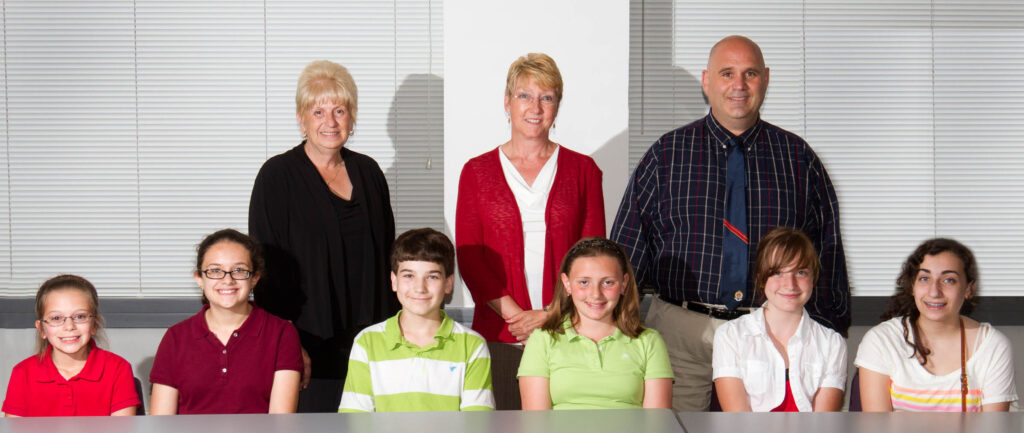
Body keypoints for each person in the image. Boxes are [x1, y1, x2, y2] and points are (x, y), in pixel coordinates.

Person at [610, 35, 849, 411]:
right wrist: (614, 332)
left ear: (766, 79)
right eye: (727, 73)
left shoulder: (798, 158)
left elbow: (826, 252)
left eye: (750, 73)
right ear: (707, 81)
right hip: (681, 333)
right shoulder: (667, 154)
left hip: (767, 335)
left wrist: (824, 334)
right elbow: (628, 251)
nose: (738, 85)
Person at [249, 59, 397, 412]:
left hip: (371, 346)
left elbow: (389, 259)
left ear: (352, 117)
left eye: (340, 110)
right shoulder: (277, 177)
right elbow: (266, 274)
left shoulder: (370, 172)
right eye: (318, 111)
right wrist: (286, 345)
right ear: (302, 119)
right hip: (308, 350)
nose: (330, 122)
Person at [456, 53, 606, 345]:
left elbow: (593, 257)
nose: (535, 108)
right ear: (507, 102)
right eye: (524, 95)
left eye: (546, 98)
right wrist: (517, 319)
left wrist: (551, 315)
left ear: (557, 106)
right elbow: (470, 259)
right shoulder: (476, 172)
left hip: (568, 330)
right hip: (501, 332)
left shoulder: (583, 171)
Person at [339, 228, 494, 412]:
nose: (419, 288)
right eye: (409, 276)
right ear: (393, 281)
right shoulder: (367, 342)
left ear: (448, 284)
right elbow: (355, 421)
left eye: (432, 276)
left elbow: (477, 424)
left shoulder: (472, 345)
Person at [149, 229, 302, 414]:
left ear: (254, 278)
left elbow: (281, 422)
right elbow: (161, 423)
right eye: (215, 270)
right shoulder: (175, 337)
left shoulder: (282, 333)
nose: (227, 280)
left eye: (239, 270)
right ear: (199, 279)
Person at [856, 238, 1017, 412]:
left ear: (968, 289)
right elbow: (877, 428)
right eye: (924, 278)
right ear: (912, 286)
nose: (934, 292)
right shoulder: (881, 340)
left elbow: (992, 428)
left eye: (949, 280)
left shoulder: (992, 346)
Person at [517, 237, 672, 410]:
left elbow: (656, 423)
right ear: (567, 284)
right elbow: (536, 423)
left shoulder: (649, 341)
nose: (596, 294)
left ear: (624, 284)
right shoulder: (543, 339)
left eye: (608, 282)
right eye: (584, 282)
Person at [712, 227, 846, 412]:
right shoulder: (730, 335)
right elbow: (737, 422)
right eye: (777, 273)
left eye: (801, 272)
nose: (790, 285)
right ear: (761, 278)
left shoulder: (832, 343)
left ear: (813, 279)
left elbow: (822, 424)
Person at [2, 275, 139, 417]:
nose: (69, 326)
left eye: (80, 316)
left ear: (94, 324)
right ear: (42, 329)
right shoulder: (22, 373)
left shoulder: (118, 369)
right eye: (56, 318)